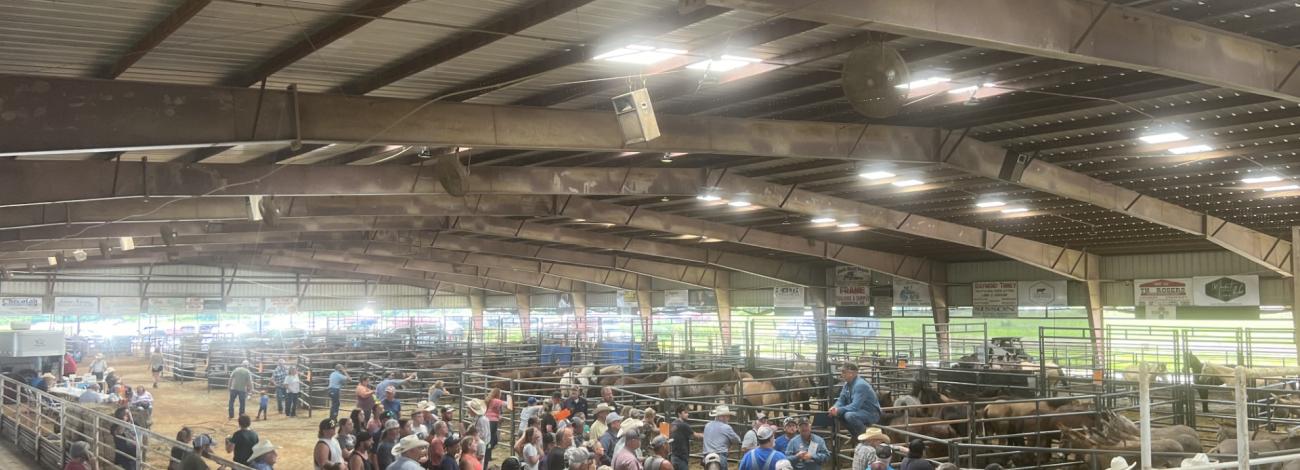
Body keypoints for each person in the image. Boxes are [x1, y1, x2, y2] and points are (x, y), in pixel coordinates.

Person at [828, 363, 880, 440]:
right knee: (840, 414)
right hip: (860, 411)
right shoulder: (847, 384)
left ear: (852, 373)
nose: (842, 374)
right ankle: (855, 435)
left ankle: (866, 438)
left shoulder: (860, 385)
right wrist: (834, 407)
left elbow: (855, 406)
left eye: (844, 372)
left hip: (871, 413)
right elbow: (841, 399)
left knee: (849, 415)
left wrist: (838, 410)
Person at [702, 405, 741, 470]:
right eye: (727, 416)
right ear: (722, 417)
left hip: (707, 455)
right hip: (720, 455)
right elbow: (737, 440)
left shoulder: (707, 425)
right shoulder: (726, 427)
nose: (728, 418)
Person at [484, 388, 512, 464]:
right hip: (492, 421)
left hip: (488, 420)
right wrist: (510, 397)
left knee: (491, 439)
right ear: (497, 394)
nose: (501, 395)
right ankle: (486, 453)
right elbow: (508, 405)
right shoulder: (496, 401)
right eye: (500, 393)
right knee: (493, 440)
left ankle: (488, 455)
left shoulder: (490, 400)